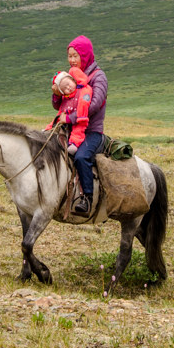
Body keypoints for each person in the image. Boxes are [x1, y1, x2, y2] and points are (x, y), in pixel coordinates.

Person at [52, 35, 107, 216]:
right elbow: (59, 105)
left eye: (76, 56)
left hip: (91, 132)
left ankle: (87, 199)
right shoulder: (71, 76)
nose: (72, 60)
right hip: (71, 130)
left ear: (85, 55)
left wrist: (70, 119)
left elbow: (94, 105)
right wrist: (56, 94)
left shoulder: (98, 77)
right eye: (70, 56)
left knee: (81, 157)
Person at [46, 67, 93, 154]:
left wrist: (71, 118)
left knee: (78, 130)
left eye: (68, 84)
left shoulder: (83, 91)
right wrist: (56, 95)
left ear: (72, 80)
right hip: (66, 122)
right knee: (56, 122)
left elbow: (85, 105)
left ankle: (74, 144)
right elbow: (58, 107)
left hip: (79, 120)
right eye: (65, 88)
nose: (69, 87)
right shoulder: (65, 97)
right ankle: (48, 130)